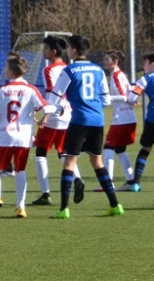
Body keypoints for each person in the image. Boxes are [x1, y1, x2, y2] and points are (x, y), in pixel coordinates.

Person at [43, 34, 122, 219]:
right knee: (97, 162)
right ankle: (115, 205)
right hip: (98, 120)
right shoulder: (98, 70)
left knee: (69, 162)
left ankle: (64, 209)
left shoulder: (69, 70)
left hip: (79, 121)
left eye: (69, 48)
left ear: (73, 50)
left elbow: (53, 98)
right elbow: (106, 100)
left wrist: (54, 109)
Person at [0, 55, 46, 218]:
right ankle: (20, 207)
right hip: (24, 136)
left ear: (10, 71)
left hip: (5, 135)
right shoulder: (31, 89)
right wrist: (41, 118)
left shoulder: (3, 90)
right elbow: (44, 107)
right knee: (20, 170)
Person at [31, 35, 82, 206]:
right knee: (63, 152)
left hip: (54, 115)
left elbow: (52, 94)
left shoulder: (49, 70)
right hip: (69, 114)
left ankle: (45, 194)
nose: (44, 51)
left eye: (46, 48)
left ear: (53, 51)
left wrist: (45, 116)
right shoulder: (69, 67)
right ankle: (77, 179)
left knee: (40, 153)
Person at [99, 50, 138, 190]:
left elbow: (123, 96)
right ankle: (131, 182)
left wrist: (105, 98)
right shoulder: (120, 75)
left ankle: (107, 183)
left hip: (121, 119)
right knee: (120, 149)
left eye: (107, 59)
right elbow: (130, 94)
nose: (104, 62)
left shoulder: (116, 75)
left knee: (108, 148)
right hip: (129, 117)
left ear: (115, 62)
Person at [125, 53, 154, 189]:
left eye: (145, 63)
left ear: (152, 64)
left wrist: (133, 101)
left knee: (145, 149)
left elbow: (131, 97)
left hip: (152, 119)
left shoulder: (145, 79)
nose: (143, 67)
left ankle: (136, 183)